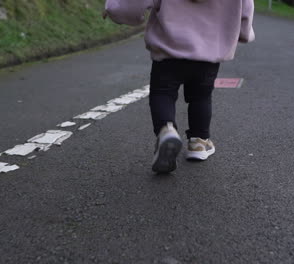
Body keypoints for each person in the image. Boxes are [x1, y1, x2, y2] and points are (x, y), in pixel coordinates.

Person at [103, 0, 255, 173]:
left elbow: (134, 4)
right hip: (210, 50)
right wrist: (242, 32)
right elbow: (245, 8)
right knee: (201, 97)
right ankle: (199, 142)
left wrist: (115, 10)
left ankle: (166, 131)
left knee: (162, 93)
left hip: (169, 49)